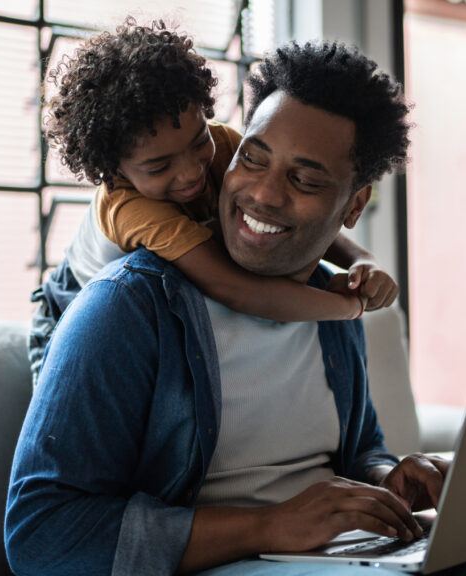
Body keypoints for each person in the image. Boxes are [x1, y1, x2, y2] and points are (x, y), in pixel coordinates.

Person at [5, 40, 466, 576]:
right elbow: (41, 534)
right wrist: (268, 527)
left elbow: (360, 449)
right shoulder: (128, 310)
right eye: (253, 157)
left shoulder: (329, 302)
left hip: (343, 554)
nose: (263, 194)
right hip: (231, 559)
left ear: (352, 208)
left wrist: (388, 479)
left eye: (305, 180)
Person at [28, 19, 398, 386]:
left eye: (198, 141)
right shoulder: (129, 207)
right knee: (75, 394)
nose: (191, 172)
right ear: (115, 169)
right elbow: (233, 289)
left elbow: (277, 211)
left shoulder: (226, 147)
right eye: (159, 166)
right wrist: (348, 307)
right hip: (67, 307)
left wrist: (361, 260)